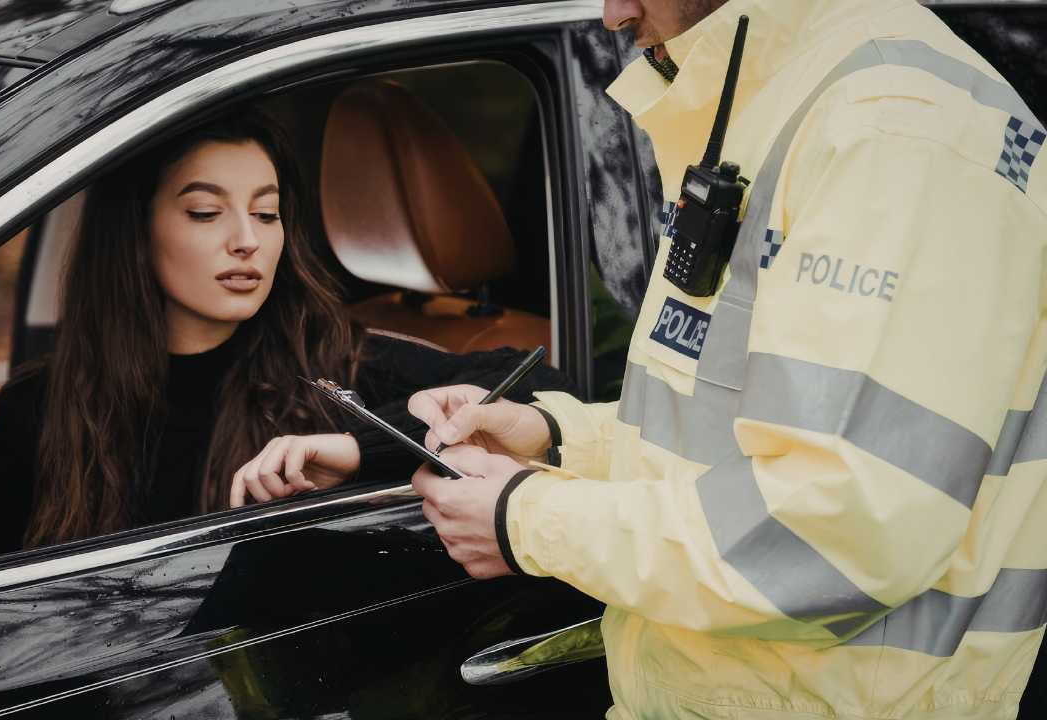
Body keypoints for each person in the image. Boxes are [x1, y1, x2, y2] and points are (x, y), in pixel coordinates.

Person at [407, 0, 1047, 718]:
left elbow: (835, 528)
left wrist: (528, 519)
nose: (614, 14)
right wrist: (559, 439)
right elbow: (746, 424)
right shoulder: (790, 99)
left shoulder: (892, 128)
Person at [0, 110, 571, 557]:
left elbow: (538, 385)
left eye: (266, 213)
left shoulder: (333, 366)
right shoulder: (38, 408)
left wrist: (362, 447)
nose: (248, 241)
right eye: (206, 213)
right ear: (134, 231)